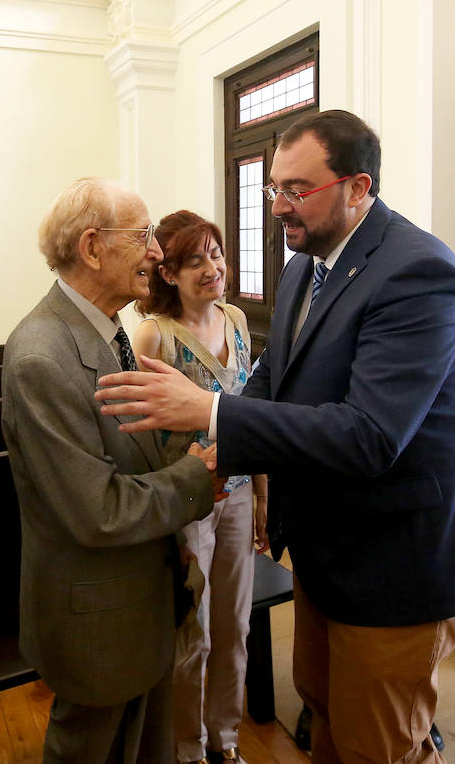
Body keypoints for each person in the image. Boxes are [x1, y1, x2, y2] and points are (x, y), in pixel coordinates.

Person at [95, 110, 455, 764]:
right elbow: (273, 382)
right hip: (328, 551)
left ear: (357, 186)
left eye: (296, 189)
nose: (279, 205)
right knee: (326, 712)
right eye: (272, 187)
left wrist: (210, 410)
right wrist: (223, 445)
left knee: (381, 742)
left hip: (397, 561)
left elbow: (370, 434)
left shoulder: (418, 272)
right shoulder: (303, 266)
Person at [2, 178, 220, 764]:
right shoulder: (41, 357)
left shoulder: (107, 330)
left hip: (142, 599)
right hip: (97, 616)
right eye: (145, 235)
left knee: (146, 744)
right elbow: (97, 510)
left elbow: (134, 451)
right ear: (93, 248)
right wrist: (197, 474)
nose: (156, 250)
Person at [131, 210, 263, 764]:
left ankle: (226, 741)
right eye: (194, 261)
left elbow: (253, 413)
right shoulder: (154, 335)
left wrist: (261, 492)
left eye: (217, 255)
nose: (212, 269)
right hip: (184, 500)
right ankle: (189, 747)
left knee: (235, 625)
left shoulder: (236, 320)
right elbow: (134, 429)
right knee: (196, 631)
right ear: (169, 274)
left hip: (237, 495)